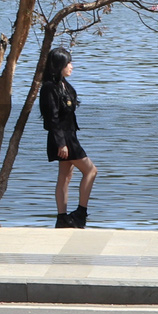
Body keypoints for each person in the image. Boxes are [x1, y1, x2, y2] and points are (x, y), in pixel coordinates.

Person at [38, 47, 97, 228]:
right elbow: (52, 118)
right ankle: (80, 212)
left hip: (70, 135)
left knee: (65, 176)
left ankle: (62, 217)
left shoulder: (64, 85)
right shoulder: (49, 87)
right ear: (59, 65)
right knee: (91, 171)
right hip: (63, 138)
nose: (71, 66)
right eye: (68, 63)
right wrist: (61, 143)